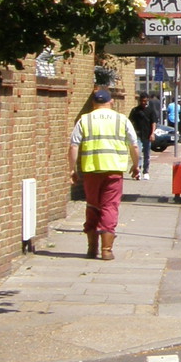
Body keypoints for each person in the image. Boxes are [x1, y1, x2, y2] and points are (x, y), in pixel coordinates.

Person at [69, 88, 141, 260]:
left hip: (92, 170)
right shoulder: (121, 119)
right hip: (114, 170)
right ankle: (106, 250)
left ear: (93, 104)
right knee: (110, 206)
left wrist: (72, 169)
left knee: (93, 205)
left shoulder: (84, 120)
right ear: (111, 102)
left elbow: (73, 146)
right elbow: (134, 145)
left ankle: (91, 248)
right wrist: (136, 165)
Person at [129, 93, 159, 179]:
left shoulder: (150, 111)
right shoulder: (135, 110)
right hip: (137, 135)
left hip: (147, 135)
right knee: (138, 154)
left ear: (147, 101)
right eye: (141, 101)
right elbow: (130, 122)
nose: (143, 102)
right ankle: (138, 171)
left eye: (145, 101)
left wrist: (152, 133)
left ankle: (146, 171)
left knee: (147, 154)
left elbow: (154, 122)